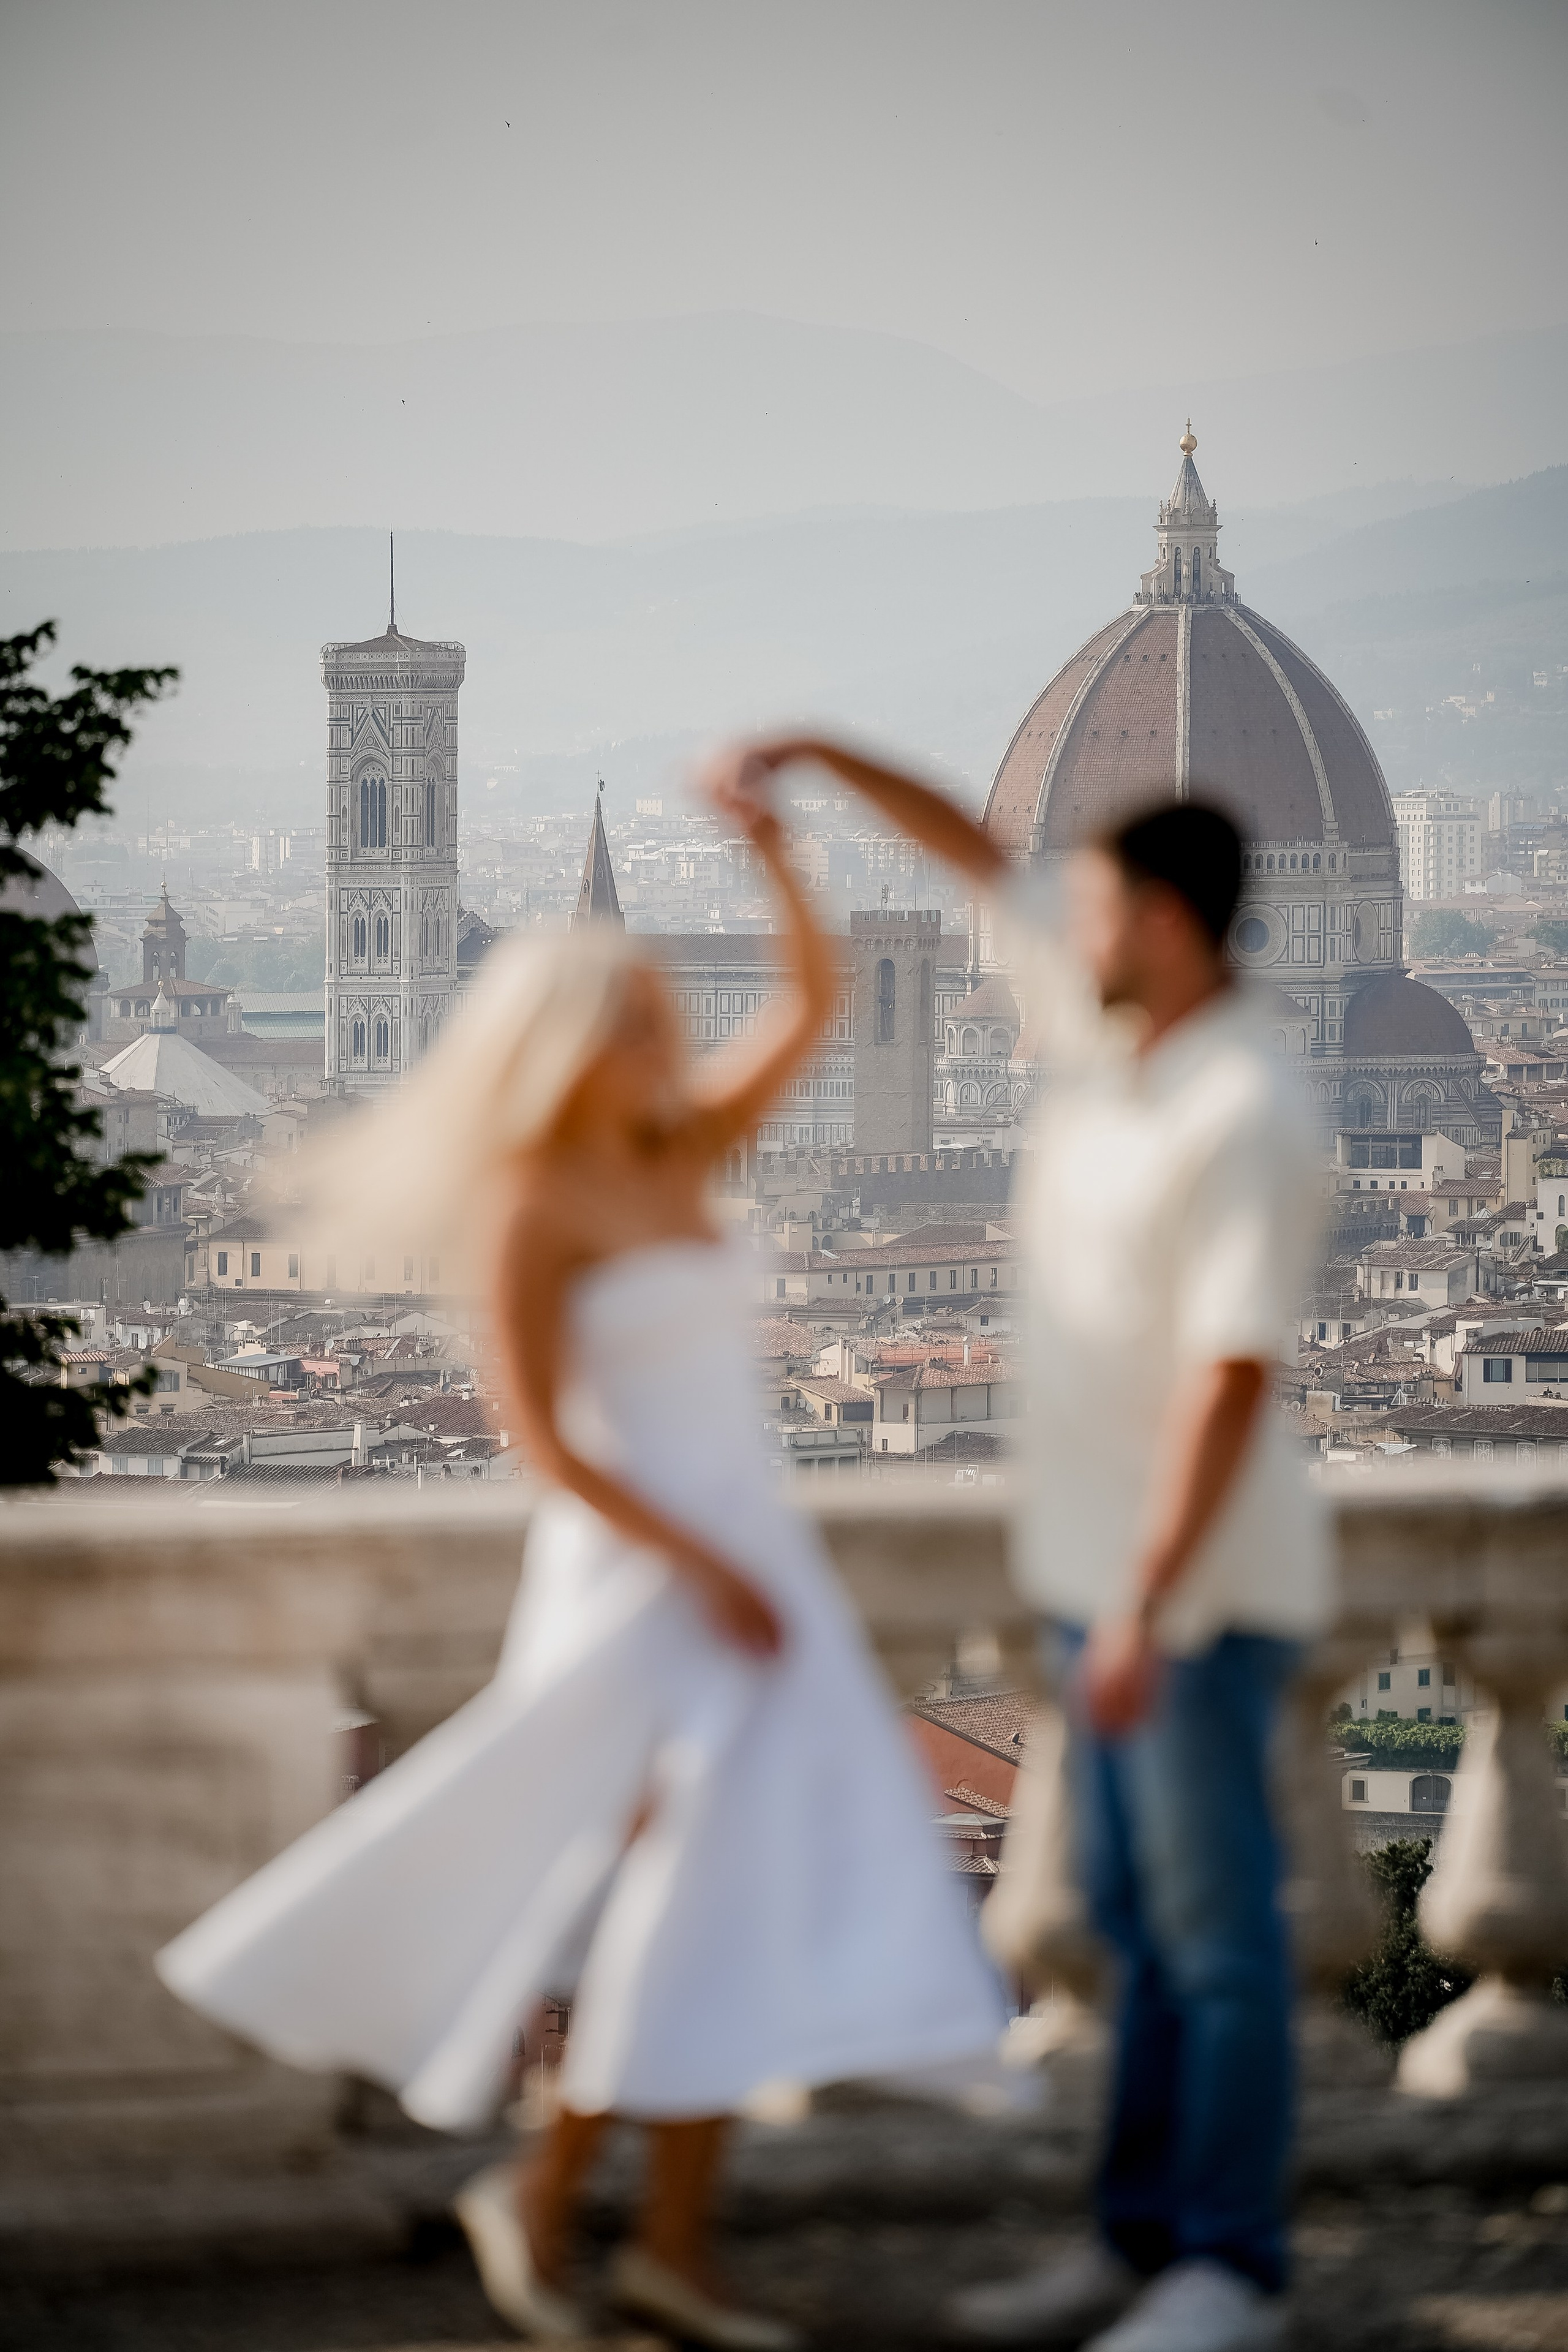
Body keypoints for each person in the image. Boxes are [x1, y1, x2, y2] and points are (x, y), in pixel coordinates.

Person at [156, 793, 1003, 2350]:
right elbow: (545, 1443)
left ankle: (632, 2227)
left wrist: (774, 838)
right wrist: (707, 1563)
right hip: (636, 1580)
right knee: (671, 1905)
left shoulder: (683, 1150)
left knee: (711, 1907)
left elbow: (817, 1002)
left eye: (665, 1012)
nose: (664, 1036)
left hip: (743, 1574)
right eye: (636, 1018)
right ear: (561, 1043)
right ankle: (585, 2212)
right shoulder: (533, 1208)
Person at [703, 737, 1327, 2352]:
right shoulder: (1111, 1042)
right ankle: (1135, 2246)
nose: (1068, 923)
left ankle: (1226, 2269)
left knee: (1219, 1940)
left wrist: (1143, 1596)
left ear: (1170, 928)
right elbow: (977, 860)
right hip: (1097, 1583)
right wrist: (814, 764)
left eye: (1101, 904)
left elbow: (1232, 1376)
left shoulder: (1246, 1104)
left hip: (1184, 1594)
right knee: (1127, 1934)